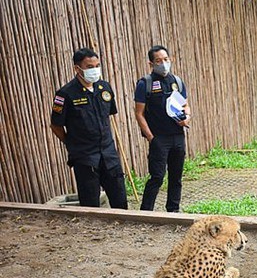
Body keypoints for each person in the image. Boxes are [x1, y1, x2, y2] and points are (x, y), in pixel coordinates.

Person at [50, 48, 128, 209]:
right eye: (90, 66)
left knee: (120, 200)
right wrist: (71, 143)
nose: (95, 70)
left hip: (109, 154)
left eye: (97, 65)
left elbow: (110, 114)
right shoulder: (65, 94)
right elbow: (56, 125)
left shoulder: (104, 87)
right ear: (77, 69)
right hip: (85, 157)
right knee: (90, 205)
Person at [134, 45, 190, 212]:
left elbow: (185, 105)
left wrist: (187, 116)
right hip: (159, 138)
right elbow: (139, 113)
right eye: (158, 61)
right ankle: (146, 211)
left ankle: (173, 210)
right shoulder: (146, 83)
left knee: (176, 176)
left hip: (178, 136)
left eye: (166, 60)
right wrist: (151, 137)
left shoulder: (177, 81)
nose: (163, 64)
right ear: (151, 63)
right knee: (157, 177)